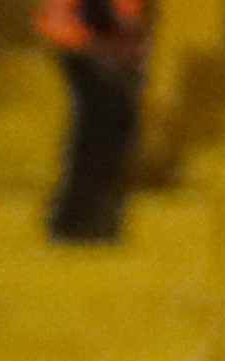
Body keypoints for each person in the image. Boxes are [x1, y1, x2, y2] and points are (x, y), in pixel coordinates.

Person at [40, 0, 150, 244]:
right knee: (104, 130)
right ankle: (80, 218)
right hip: (87, 40)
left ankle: (87, 217)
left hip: (94, 39)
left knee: (108, 129)